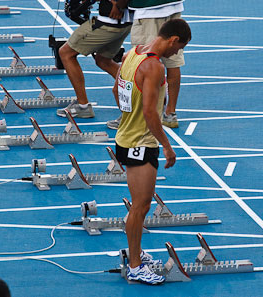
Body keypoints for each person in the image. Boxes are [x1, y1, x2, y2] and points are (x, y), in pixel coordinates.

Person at [113, 18, 191, 285]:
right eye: (179, 47)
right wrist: (168, 147)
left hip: (126, 137)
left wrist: (127, 118)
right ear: (173, 39)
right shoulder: (155, 66)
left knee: (140, 206)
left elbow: (117, 90)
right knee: (141, 207)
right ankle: (135, 266)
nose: (177, 54)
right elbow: (149, 112)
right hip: (140, 144)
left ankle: (136, 254)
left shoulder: (132, 54)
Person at [107, 0, 185, 129]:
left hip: (147, 11)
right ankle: (170, 113)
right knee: (173, 62)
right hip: (174, 6)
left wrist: (118, 5)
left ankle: (132, 116)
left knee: (140, 61)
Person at [57, 0, 132, 118]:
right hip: (125, 23)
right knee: (103, 60)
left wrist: (116, 4)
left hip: (108, 22)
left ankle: (83, 106)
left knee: (66, 53)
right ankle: (138, 95)